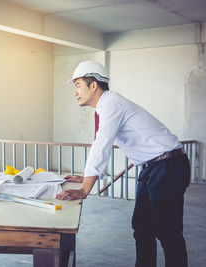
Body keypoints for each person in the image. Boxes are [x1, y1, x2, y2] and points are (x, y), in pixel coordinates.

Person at [57, 60, 190, 267]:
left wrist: (85, 189)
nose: (75, 92)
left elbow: (102, 145)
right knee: (142, 227)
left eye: (78, 85)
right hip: (153, 167)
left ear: (93, 86)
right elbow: (99, 144)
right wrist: (87, 176)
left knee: (168, 231)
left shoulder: (111, 104)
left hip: (167, 166)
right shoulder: (105, 106)